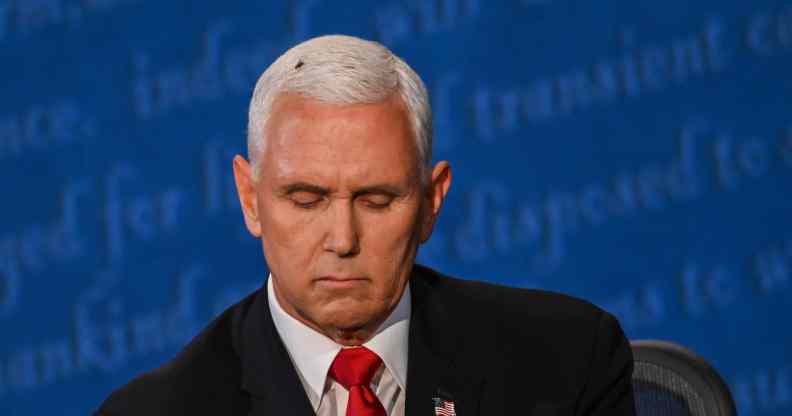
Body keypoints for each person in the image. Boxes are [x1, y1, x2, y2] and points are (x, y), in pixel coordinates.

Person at [95, 35, 635, 416]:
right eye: (305, 199)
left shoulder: (567, 361)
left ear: (431, 200)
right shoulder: (158, 410)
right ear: (250, 198)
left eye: (377, 200)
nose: (342, 240)